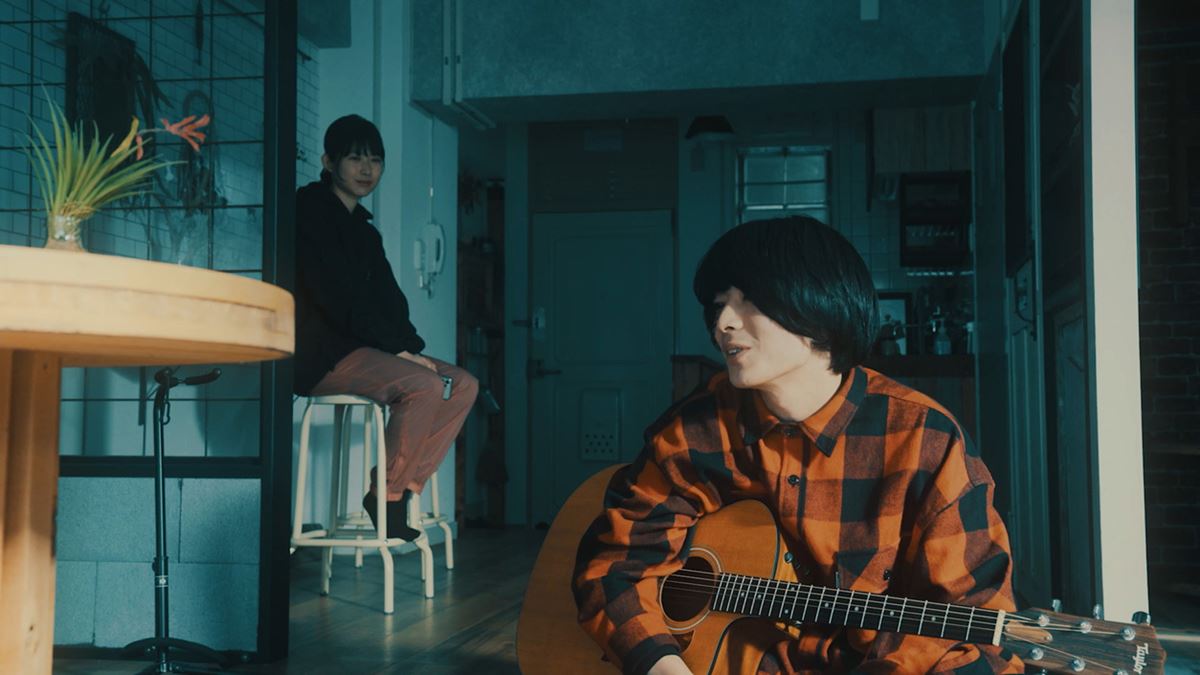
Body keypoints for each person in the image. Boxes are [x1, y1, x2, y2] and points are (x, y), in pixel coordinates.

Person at [572, 216, 1022, 674]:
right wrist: (661, 665)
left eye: (748, 302)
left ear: (817, 305)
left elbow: (974, 624)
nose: (723, 323)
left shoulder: (925, 440)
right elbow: (615, 564)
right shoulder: (695, 429)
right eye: (719, 305)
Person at [293, 114, 478, 541]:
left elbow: (389, 301)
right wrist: (400, 353)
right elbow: (337, 299)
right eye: (355, 158)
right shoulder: (310, 214)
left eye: (375, 160)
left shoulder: (364, 231)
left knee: (461, 384)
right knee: (423, 385)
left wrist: (411, 347)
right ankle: (386, 498)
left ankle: (404, 489)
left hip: (365, 351)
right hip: (320, 354)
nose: (366, 169)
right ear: (328, 162)